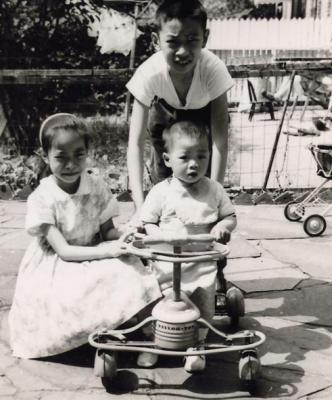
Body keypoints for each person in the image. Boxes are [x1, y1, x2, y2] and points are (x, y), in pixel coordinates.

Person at [8, 113, 161, 359]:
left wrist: (127, 234)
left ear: (88, 152)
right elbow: (65, 252)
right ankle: (90, 332)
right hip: (57, 264)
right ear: (46, 156)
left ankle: (148, 334)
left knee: (131, 265)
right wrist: (108, 251)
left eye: (79, 155)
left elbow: (107, 231)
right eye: (60, 157)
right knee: (71, 290)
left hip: (94, 249)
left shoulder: (96, 186)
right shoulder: (43, 197)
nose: (70, 165)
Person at [138, 120, 237, 371]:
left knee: (204, 302)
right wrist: (161, 235)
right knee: (157, 301)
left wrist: (223, 226)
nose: (194, 164)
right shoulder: (161, 192)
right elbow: (147, 222)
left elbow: (229, 215)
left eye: (201, 156)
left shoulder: (213, 189)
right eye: (185, 157)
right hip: (167, 262)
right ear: (167, 159)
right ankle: (154, 342)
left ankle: (198, 344)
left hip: (202, 261)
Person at [126, 0, 234, 217]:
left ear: (205, 38)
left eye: (192, 40)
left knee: (201, 178)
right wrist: (139, 204)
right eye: (173, 42)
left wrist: (214, 202)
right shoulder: (149, 72)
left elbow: (220, 141)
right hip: (165, 115)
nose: (183, 51)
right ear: (157, 40)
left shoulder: (213, 70)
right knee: (166, 182)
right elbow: (135, 144)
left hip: (204, 115)